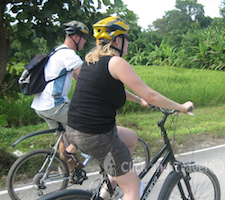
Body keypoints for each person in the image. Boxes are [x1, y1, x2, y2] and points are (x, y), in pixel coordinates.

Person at [66, 16, 194, 200]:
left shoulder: (91, 60)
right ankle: (123, 186)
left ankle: (106, 190)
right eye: (127, 38)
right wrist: (181, 107)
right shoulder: (116, 62)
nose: (128, 43)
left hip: (75, 130)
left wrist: (139, 100)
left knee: (131, 138)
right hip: (97, 135)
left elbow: (115, 88)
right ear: (118, 40)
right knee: (133, 189)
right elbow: (151, 95)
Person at [31, 20, 89, 169]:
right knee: (87, 120)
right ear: (76, 37)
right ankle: (71, 154)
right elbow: (86, 78)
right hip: (54, 105)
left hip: (40, 106)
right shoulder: (69, 55)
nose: (85, 41)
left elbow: (77, 78)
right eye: (84, 37)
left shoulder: (56, 51)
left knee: (65, 138)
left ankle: (71, 174)